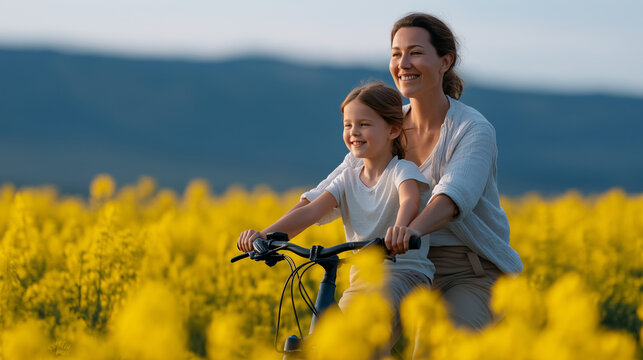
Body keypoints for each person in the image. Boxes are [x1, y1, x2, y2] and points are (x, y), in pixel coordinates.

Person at [297, 13, 523, 330]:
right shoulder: (385, 126)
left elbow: (452, 198)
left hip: (466, 270)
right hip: (399, 265)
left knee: (439, 348)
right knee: (353, 337)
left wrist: (410, 231)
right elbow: (333, 186)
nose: (403, 63)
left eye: (415, 52)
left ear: (445, 61)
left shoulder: (472, 129)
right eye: (396, 53)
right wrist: (270, 234)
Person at [237, 82, 434, 348]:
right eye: (347, 125)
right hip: (362, 279)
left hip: (404, 274)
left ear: (393, 129)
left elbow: (409, 200)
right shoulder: (347, 178)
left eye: (364, 124)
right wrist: (264, 236)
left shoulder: (402, 171)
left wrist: (399, 230)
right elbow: (310, 211)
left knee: (359, 339)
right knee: (333, 342)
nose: (354, 132)